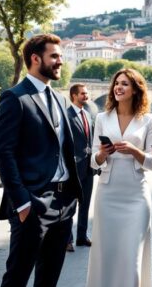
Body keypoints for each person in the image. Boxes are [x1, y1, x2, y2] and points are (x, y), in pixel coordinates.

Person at [0, 33, 82, 287]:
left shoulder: (60, 99)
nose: (60, 62)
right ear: (35, 58)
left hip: (64, 204)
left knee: (49, 279)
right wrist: (22, 202)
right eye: (54, 56)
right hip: (32, 204)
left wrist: (72, 198)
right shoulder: (14, 97)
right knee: (17, 277)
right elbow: (3, 154)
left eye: (61, 57)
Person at [87, 68, 152, 287]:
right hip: (107, 194)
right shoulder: (101, 117)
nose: (119, 87)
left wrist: (134, 151)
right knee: (106, 253)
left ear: (136, 89)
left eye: (125, 84)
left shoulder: (147, 120)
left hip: (136, 194)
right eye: (117, 83)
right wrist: (102, 154)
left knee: (131, 257)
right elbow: (92, 161)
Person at [65, 83, 95, 252]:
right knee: (70, 205)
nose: (86, 96)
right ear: (74, 96)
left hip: (89, 167)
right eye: (83, 93)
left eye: (86, 93)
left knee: (85, 203)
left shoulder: (88, 115)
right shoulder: (67, 116)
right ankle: (67, 240)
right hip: (73, 167)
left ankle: (82, 237)